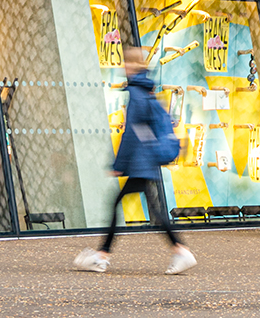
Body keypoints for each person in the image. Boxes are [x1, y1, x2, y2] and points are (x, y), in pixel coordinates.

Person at [74, 46, 196, 275]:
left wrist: (119, 165)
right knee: (152, 210)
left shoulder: (137, 95)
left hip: (141, 163)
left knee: (121, 204)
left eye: (125, 64)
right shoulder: (146, 90)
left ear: (130, 66)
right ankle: (180, 250)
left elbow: (130, 134)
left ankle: (102, 256)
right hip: (146, 162)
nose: (123, 68)